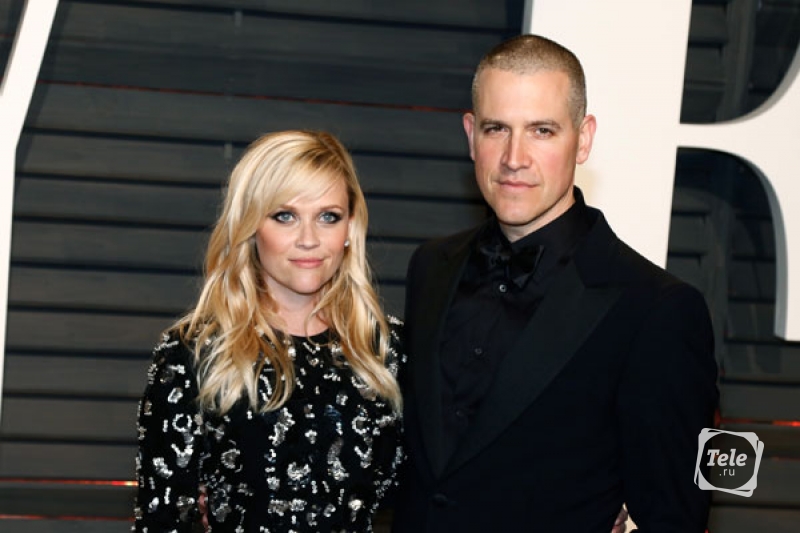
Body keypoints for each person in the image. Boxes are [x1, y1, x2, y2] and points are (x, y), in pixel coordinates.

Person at [392, 34, 719, 532]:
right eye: (497, 129)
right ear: (471, 134)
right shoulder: (430, 267)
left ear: (583, 139)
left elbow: (673, 516)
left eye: (541, 131)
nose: (514, 157)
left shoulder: (656, 310)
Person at [133, 130, 406, 532]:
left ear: (350, 228)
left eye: (328, 217)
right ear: (250, 226)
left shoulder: (386, 350)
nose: (309, 239)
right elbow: (162, 519)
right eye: (285, 216)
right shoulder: (193, 351)